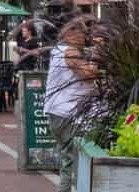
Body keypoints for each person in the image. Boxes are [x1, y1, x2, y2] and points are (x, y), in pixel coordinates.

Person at [45, 19, 98, 192]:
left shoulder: (59, 50)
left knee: (68, 160)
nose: (85, 37)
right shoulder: (70, 52)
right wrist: (96, 57)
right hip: (66, 114)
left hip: (60, 113)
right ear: (71, 34)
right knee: (78, 159)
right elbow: (89, 76)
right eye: (83, 33)